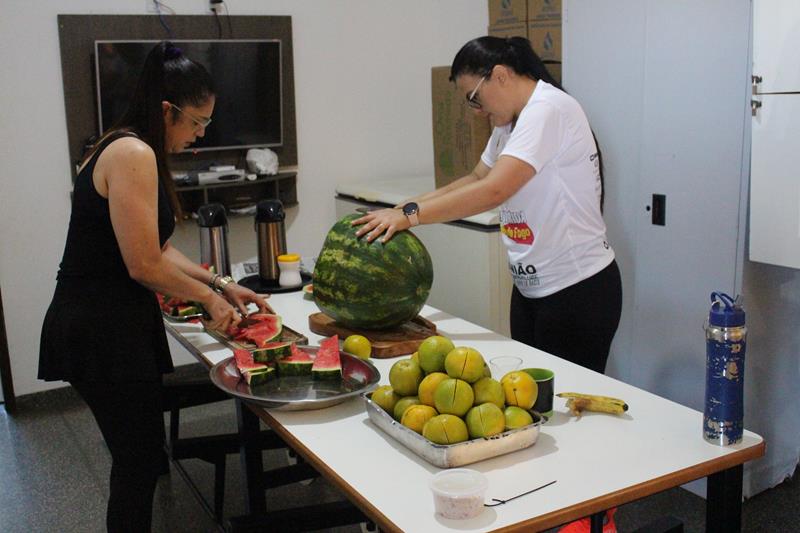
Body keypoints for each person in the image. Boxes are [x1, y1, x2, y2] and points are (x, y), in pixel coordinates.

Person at [39, 42, 268, 532]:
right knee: (137, 463)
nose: (200, 136)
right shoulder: (132, 152)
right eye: (197, 123)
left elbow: (160, 249)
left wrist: (223, 284)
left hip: (103, 323)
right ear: (167, 110)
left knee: (138, 456)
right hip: (99, 329)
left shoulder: (121, 143)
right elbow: (143, 264)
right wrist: (207, 299)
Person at [353, 36, 622, 376]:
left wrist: (412, 217)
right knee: (530, 402)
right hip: (531, 290)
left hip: (577, 292)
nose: (477, 111)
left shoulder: (548, 110)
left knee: (568, 406)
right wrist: (405, 206)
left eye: (474, 98)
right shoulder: (511, 122)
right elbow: (476, 177)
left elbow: (494, 190)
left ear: (500, 75)